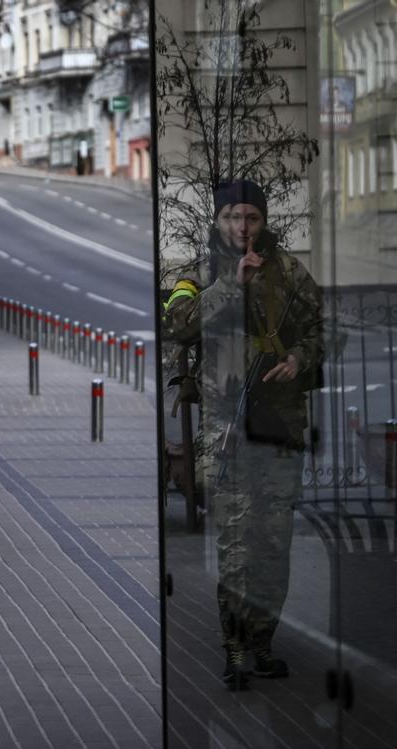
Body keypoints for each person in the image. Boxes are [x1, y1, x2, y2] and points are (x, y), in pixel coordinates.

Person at [162, 179, 324, 690]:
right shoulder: (199, 272)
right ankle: (233, 645)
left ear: (263, 221)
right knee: (235, 541)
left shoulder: (289, 271)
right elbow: (180, 324)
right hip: (226, 426)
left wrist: (300, 359)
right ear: (218, 221)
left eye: (252, 218)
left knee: (273, 542)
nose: (242, 228)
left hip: (278, 424)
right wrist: (232, 283)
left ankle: (262, 641)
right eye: (233, 217)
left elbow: (321, 328)